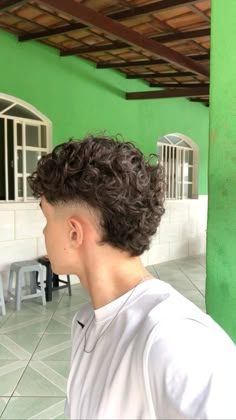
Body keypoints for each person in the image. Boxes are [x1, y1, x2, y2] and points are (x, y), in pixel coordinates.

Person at [28, 135, 236, 420]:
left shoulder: (177, 340)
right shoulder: (87, 322)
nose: (43, 233)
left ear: (74, 233)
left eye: (47, 219)